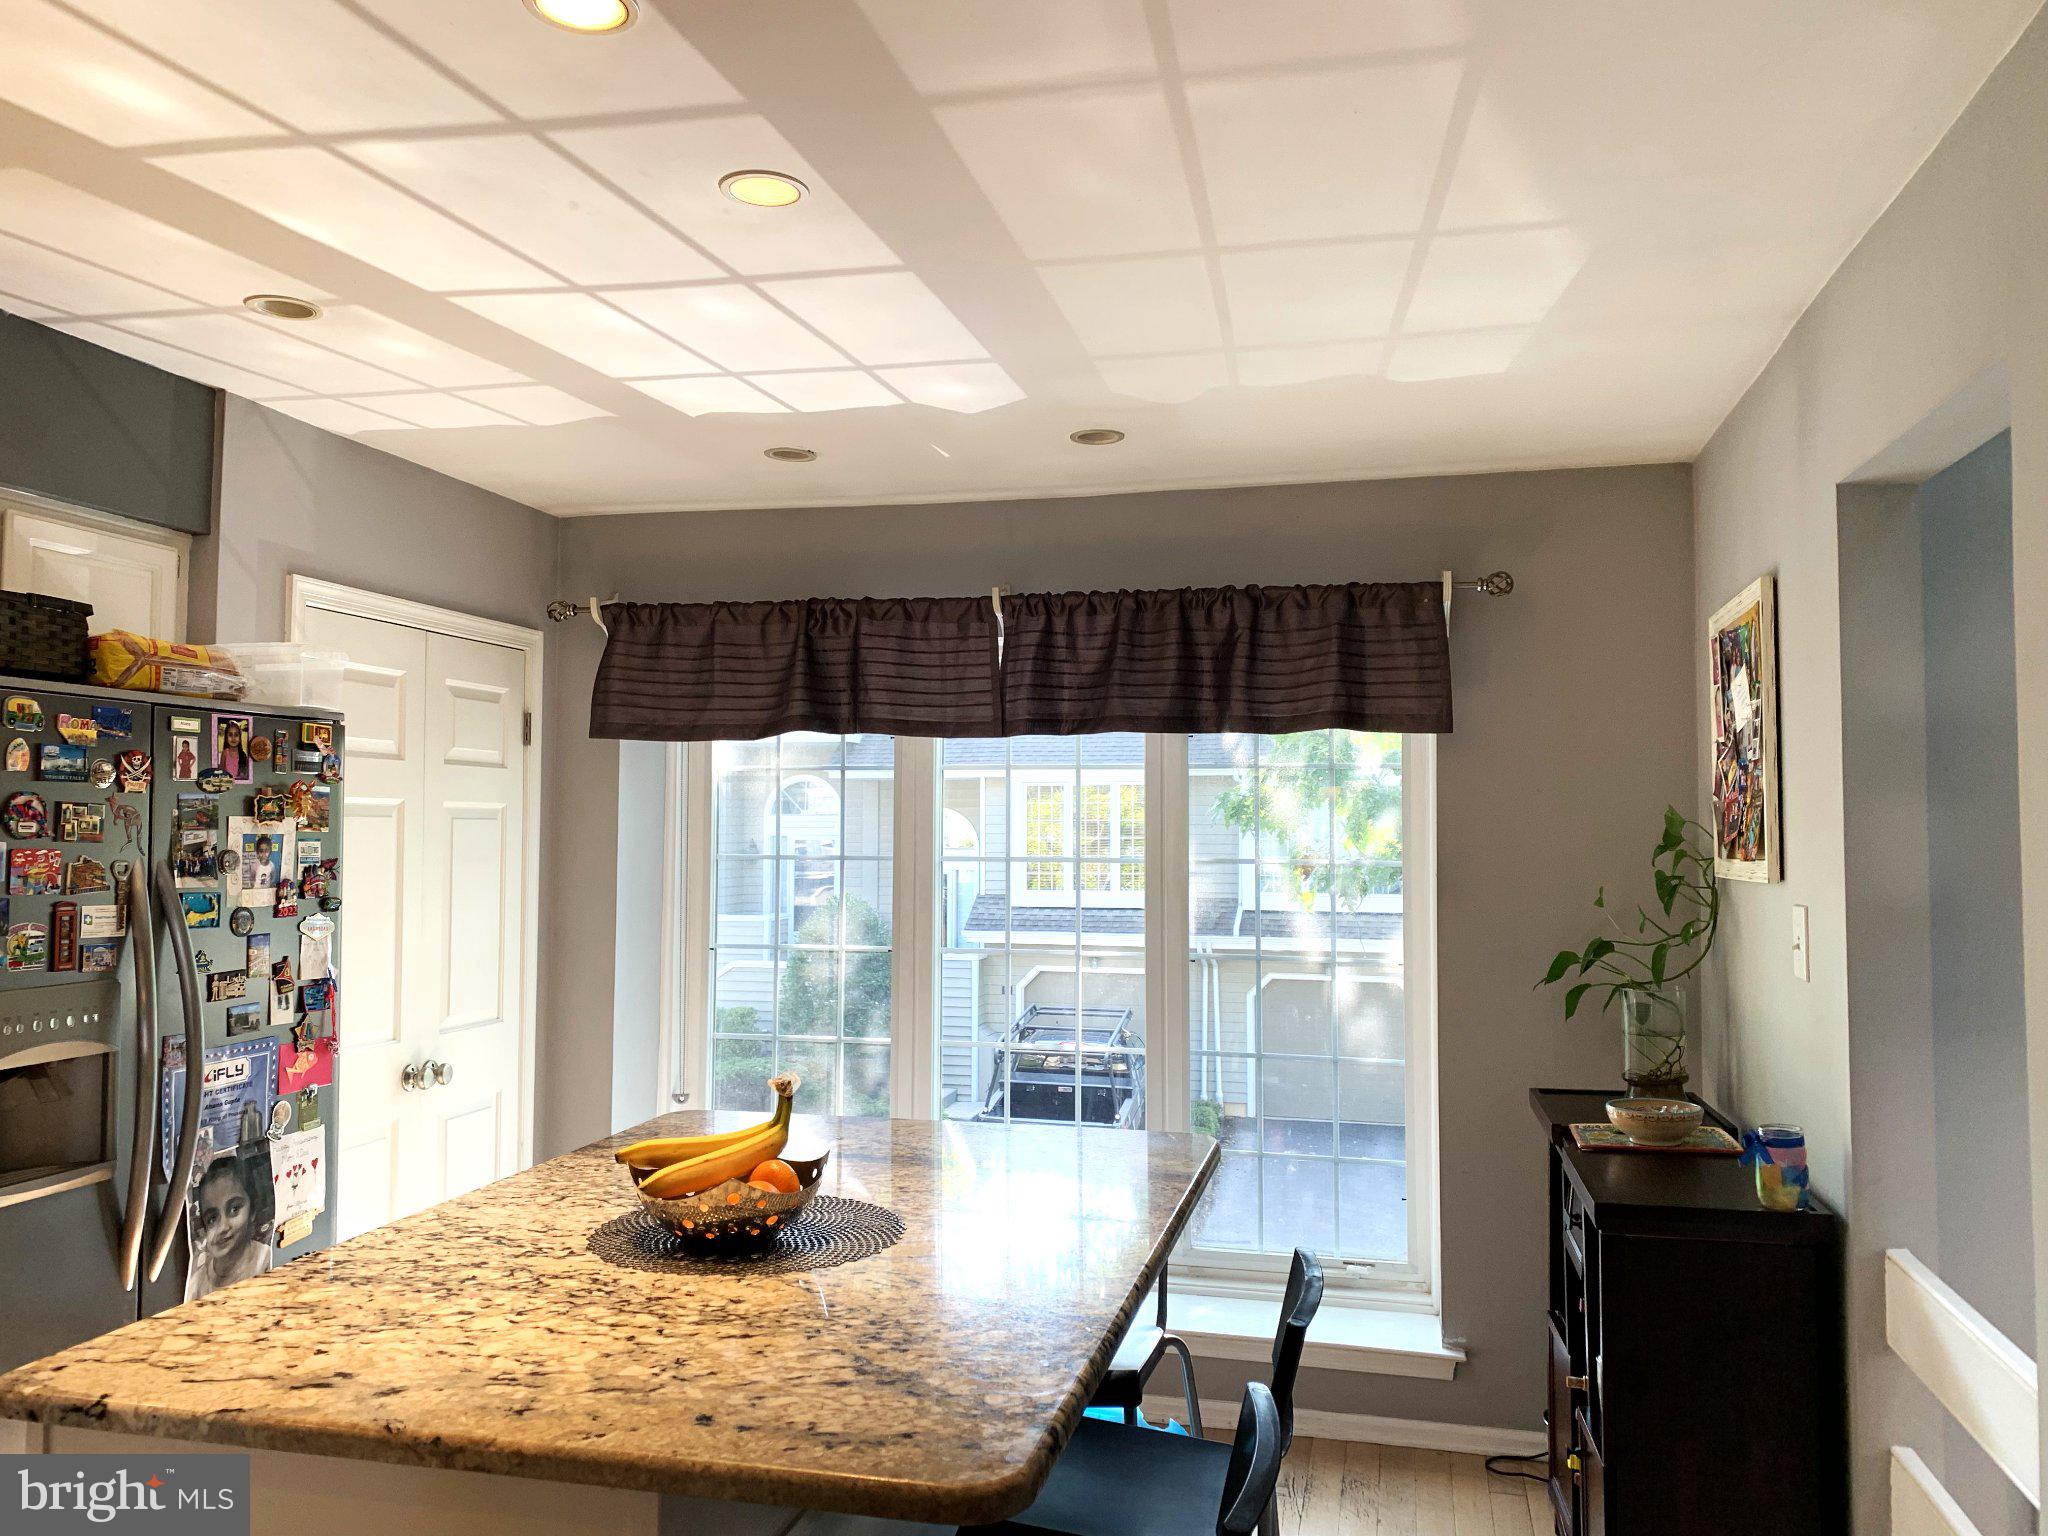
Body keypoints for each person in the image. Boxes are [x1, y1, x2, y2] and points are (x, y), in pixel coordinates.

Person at [184, 1148, 275, 1300]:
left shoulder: (266, 1259)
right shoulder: (197, 1283)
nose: (223, 1227)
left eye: (234, 1209)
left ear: (252, 1211)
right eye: (212, 1218)